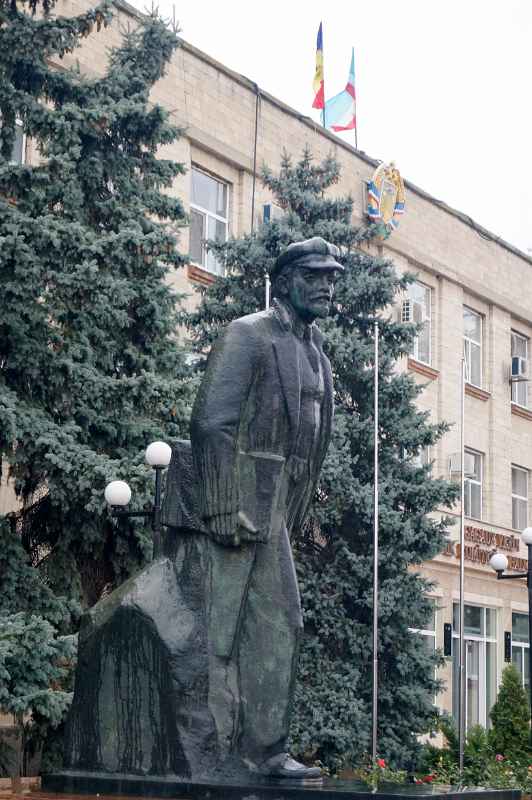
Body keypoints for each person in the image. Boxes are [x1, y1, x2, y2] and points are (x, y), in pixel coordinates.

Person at [190, 236, 343, 778]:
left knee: (273, 625)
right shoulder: (249, 335)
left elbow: (312, 434)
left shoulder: (316, 351)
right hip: (240, 502)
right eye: (314, 276)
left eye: (331, 277)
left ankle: (257, 750)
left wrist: (299, 500)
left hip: (277, 504)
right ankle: (233, 750)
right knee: (231, 627)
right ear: (284, 282)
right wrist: (224, 505)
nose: (327, 285)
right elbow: (212, 421)